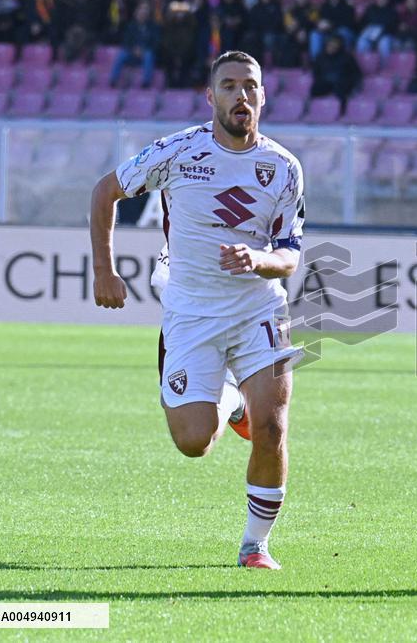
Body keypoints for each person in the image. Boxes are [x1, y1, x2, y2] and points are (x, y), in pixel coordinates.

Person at [90, 51, 306, 570]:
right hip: (191, 312)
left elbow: (290, 255)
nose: (240, 95)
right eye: (229, 86)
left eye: (250, 86)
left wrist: (258, 259)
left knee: (272, 427)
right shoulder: (178, 152)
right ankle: (232, 403)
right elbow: (106, 191)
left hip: (259, 309)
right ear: (211, 97)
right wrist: (103, 271)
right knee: (193, 442)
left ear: (263, 96)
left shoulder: (283, 168)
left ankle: (255, 546)